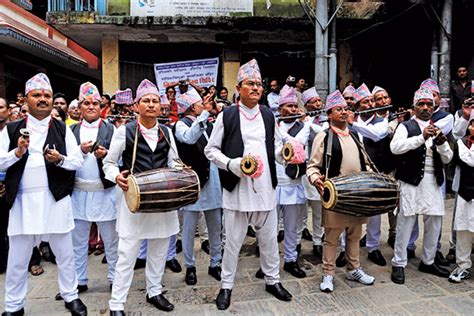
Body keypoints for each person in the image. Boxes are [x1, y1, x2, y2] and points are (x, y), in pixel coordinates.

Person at [205, 59, 292, 310]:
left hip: (265, 188)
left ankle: (272, 280)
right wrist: (232, 164)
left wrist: (284, 153)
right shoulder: (228, 115)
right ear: (238, 87)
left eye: (258, 84)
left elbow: (274, 147)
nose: (256, 88)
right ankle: (226, 286)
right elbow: (211, 150)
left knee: (268, 240)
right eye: (250, 84)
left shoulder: (267, 114)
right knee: (232, 243)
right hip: (237, 189)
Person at [0, 73, 87, 315]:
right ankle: (14, 306)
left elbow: (77, 160)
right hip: (21, 201)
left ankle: (71, 297)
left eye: (47, 96)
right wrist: (16, 154)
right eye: (37, 95)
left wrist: (60, 160)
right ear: (26, 99)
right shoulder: (10, 130)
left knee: (65, 254)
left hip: (55, 198)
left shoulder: (62, 128)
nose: (43, 99)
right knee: (18, 258)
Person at [103, 79, 179, 314]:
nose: (151, 105)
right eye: (146, 101)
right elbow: (108, 163)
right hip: (134, 202)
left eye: (155, 101)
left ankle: (154, 291)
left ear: (160, 106)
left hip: (162, 203)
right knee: (127, 254)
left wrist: (179, 170)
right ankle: (117, 304)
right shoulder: (123, 131)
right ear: (136, 106)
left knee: (159, 250)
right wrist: (116, 177)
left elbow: (173, 161)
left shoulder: (166, 132)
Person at [307, 90, 375, 293]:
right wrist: (316, 179)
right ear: (329, 114)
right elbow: (312, 166)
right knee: (331, 238)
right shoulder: (324, 136)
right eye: (339, 109)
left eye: (346, 109)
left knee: (355, 235)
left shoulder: (355, 135)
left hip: (357, 195)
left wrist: (371, 178)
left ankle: (353, 268)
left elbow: (365, 163)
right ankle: (328, 274)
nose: (344, 112)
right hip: (336, 196)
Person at [390, 88, 453, 285]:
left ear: (434, 108)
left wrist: (442, 144)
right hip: (410, 181)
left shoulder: (438, 128)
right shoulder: (405, 126)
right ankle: (399, 263)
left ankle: (428, 261)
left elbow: (448, 157)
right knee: (406, 221)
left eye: (428, 104)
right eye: (421, 104)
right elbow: (395, 148)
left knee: (434, 222)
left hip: (433, 181)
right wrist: (422, 137)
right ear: (414, 107)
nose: (425, 108)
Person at [68, 82, 119, 296]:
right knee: (77, 242)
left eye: (95, 103)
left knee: (112, 240)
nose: (90, 107)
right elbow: (66, 160)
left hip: (105, 192)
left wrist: (106, 155)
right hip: (78, 193)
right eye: (86, 103)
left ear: (101, 107)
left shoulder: (112, 128)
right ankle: (79, 280)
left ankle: (115, 278)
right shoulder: (70, 131)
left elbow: (121, 159)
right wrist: (79, 151)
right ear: (79, 107)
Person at [174, 88, 223, 285]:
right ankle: (190, 266)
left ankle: (215, 263)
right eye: (201, 104)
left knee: (215, 225)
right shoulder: (180, 125)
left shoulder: (208, 124)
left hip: (212, 180)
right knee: (188, 228)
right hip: (192, 182)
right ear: (193, 107)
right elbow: (189, 138)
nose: (204, 107)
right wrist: (204, 114)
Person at [351, 84, 391, 266]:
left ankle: (373, 248)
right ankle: (346, 249)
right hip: (353, 174)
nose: (369, 105)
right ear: (358, 105)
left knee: (375, 212)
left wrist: (352, 124)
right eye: (364, 102)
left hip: (375, 172)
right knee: (351, 212)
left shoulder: (380, 121)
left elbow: (376, 135)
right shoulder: (350, 120)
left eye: (370, 101)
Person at [274, 86, 309, 278]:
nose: (294, 109)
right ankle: (268, 263)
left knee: (291, 227)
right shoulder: (273, 124)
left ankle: (290, 260)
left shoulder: (304, 126)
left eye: (295, 106)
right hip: (273, 183)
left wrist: (276, 131)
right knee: (270, 229)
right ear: (280, 109)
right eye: (289, 106)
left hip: (292, 182)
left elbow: (295, 145)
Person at [448, 113, 474, 282]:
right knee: (464, 229)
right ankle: (463, 265)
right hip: (466, 192)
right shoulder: (461, 143)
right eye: (472, 123)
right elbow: (470, 159)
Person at [301, 87, 325, 259]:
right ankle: (297, 238)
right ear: (307, 105)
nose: (317, 103)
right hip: (300, 170)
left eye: (318, 101)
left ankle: (318, 241)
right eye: (313, 102)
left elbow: (322, 132)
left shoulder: (324, 120)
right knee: (300, 209)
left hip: (317, 170)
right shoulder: (299, 120)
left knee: (318, 209)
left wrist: (307, 123)